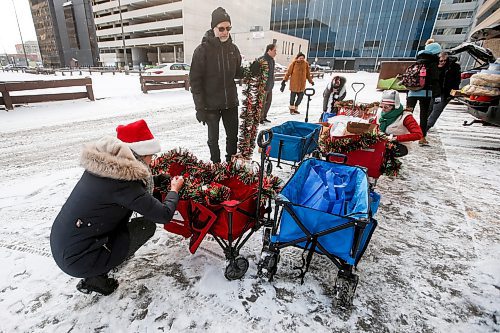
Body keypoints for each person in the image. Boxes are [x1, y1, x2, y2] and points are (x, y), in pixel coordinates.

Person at [50, 119, 184, 296]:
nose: (152, 161)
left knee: (122, 224)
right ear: (138, 156)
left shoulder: (106, 169)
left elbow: (127, 191)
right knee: (145, 227)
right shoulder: (123, 184)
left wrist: (157, 179)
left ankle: (100, 265)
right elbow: (164, 215)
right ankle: (96, 278)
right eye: (150, 156)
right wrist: (174, 190)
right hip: (80, 258)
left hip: (66, 244)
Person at [189, 7, 243, 163]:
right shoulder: (202, 51)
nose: (225, 32)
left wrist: (250, 70)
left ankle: (230, 165)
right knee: (213, 138)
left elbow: (237, 73)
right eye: (221, 28)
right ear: (214, 28)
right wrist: (199, 108)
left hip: (231, 103)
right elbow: (195, 81)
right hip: (211, 104)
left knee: (233, 136)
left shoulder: (233, 49)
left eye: (228, 28)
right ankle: (216, 165)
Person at [406, 42, 441, 146]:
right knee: (423, 115)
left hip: (412, 91)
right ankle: (422, 137)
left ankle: (404, 132)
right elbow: (435, 80)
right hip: (425, 93)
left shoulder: (418, 61)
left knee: (407, 113)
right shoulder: (433, 63)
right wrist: (437, 95)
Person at [378, 90, 423, 157]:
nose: (383, 109)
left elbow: (418, 134)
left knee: (384, 149)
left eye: (386, 107)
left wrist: (396, 138)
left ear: (394, 107)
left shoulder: (406, 117)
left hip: (401, 144)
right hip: (384, 140)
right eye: (382, 107)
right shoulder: (382, 115)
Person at [427, 52, 461, 131]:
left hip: (445, 92)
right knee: (429, 108)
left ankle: (427, 126)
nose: (443, 62)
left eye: (444, 60)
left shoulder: (453, 67)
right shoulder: (434, 66)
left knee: (437, 110)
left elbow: (457, 81)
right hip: (434, 91)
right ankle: (424, 124)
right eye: (441, 61)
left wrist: (452, 93)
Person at [258, 44, 277, 124]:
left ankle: (264, 116)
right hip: (263, 86)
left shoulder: (272, 60)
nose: (276, 53)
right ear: (269, 50)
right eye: (274, 50)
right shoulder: (262, 60)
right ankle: (260, 118)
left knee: (268, 103)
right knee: (261, 104)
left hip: (270, 85)